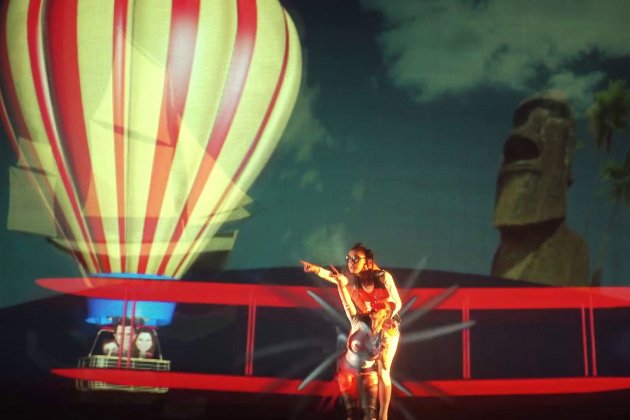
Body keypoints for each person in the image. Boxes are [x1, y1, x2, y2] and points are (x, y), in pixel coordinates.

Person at [301, 243, 402, 420]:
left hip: (386, 327)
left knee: (384, 371)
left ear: (368, 261)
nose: (350, 262)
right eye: (348, 258)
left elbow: (398, 303)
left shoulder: (383, 277)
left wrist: (385, 314)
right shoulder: (351, 279)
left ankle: (383, 415)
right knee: (357, 362)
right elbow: (336, 278)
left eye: (355, 259)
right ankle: (358, 405)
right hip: (365, 326)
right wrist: (316, 269)